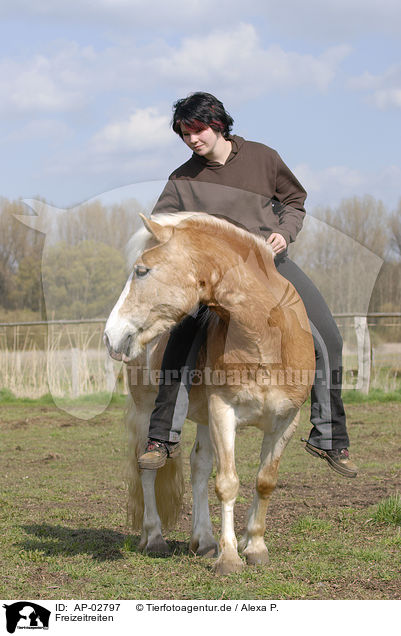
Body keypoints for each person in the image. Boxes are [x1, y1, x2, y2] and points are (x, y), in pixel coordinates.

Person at [137, 91, 358, 478]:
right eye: (184, 134)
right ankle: (161, 438)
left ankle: (329, 437)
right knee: (180, 344)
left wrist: (284, 235)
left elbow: (295, 200)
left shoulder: (264, 158)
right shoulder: (181, 179)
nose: (192, 140)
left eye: (198, 130)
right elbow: (163, 229)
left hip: (270, 265)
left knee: (328, 339)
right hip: (214, 279)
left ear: (218, 124)